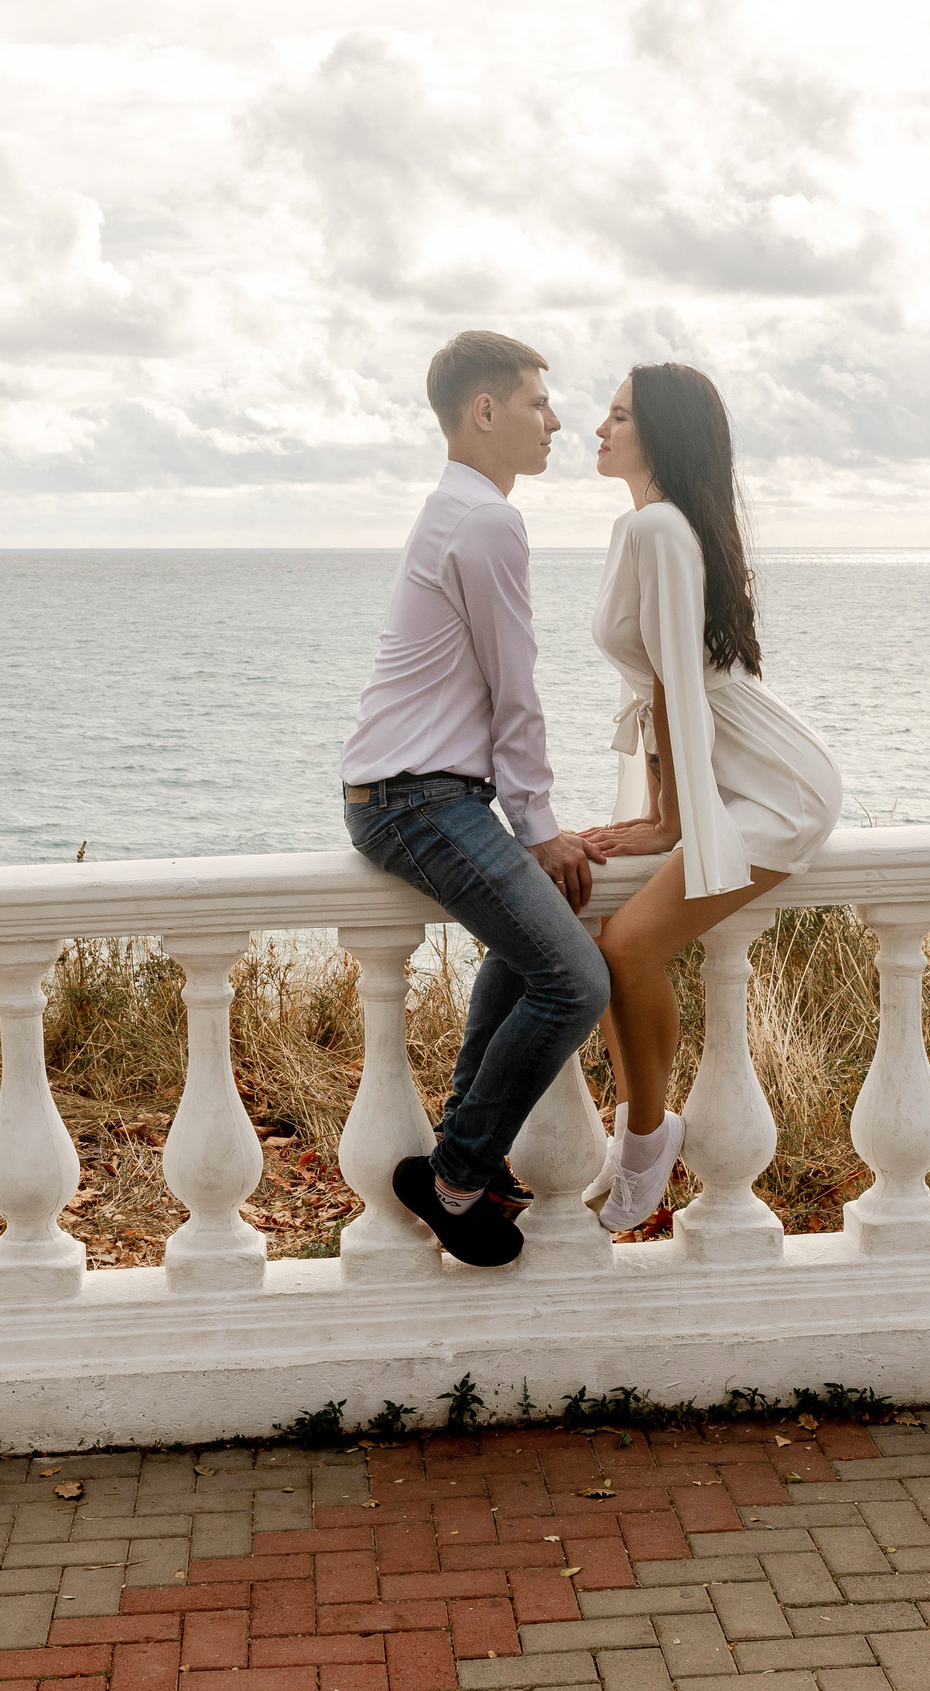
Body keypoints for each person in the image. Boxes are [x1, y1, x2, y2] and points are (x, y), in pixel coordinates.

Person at [341, 331, 610, 1269]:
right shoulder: (486, 519)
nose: (557, 420)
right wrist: (539, 826)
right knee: (576, 982)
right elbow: (514, 686)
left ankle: (463, 1165)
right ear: (485, 411)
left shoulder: (460, 507)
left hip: (416, 793)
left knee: (532, 953)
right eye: (539, 401)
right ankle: (457, 1173)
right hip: (414, 802)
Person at [579, 362, 844, 1233]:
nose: (599, 427)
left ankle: (648, 1138)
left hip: (776, 787)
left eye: (618, 415)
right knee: (618, 947)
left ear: (659, 433)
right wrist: (664, 807)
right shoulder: (653, 525)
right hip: (735, 772)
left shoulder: (659, 526)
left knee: (623, 946)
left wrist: (669, 817)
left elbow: (678, 687)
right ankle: (641, 1135)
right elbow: (664, 681)